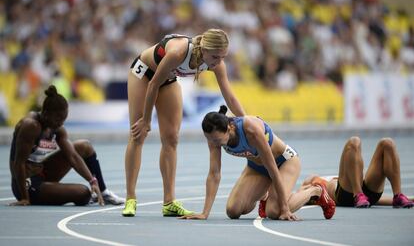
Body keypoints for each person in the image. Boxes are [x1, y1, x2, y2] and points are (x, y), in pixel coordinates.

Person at [123, 29, 246, 217]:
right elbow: (153, 84)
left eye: (223, 57)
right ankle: (130, 198)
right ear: (204, 49)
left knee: (172, 138)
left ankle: (169, 202)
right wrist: (146, 120)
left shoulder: (216, 64)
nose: (219, 62)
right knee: (138, 134)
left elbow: (229, 96)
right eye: (215, 57)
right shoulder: (178, 52)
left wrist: (246, 120)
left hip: (167, 79)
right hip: (144, 74)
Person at [180, 106, 336, 220]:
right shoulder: (214, 138)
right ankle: (266, 194)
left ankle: (314, 190)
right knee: (233, 210)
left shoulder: (251, 130)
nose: (214, 144)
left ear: (230, 128)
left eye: (217, 140)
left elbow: (272, 168)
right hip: (257, 167)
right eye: (210, 140)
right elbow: (214, 174)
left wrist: (284, 208)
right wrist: (204, 213)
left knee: (274, 212)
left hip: (284, 162)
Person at [9, 85, 124, 206]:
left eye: (64, 119)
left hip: (43, 173)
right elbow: (18, 163)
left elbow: (73, 156)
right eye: (58, 119)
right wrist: (24, 198)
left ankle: (104, 192)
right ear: (46, 113)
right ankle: (32, 194)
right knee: (83, 193)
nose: (61, 123)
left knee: (85, 146)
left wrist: (92, 181)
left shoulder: (57, 129)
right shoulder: (31, 126)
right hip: (26, 184)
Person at [302, 136, 413, 208]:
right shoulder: (311, 181)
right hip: (344, 195)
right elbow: (297, 196)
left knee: (387, 143)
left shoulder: (344, 173)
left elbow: (375, 201)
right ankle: (358, 194)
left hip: (366, 193)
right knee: (354, 142)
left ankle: (398, 195)